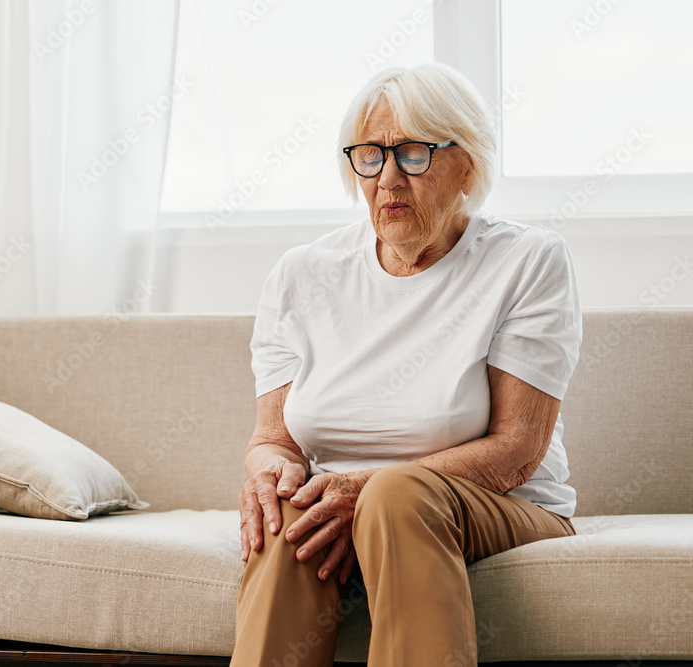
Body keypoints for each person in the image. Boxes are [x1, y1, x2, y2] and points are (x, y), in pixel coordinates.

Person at [231, 63, 582, 667]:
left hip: (497, 505)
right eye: (370, 156)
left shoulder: (527, 260)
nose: (388, 178)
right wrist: (271, 477)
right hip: (341, 506)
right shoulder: (301, 274)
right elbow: (274, 441)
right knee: (291, 517)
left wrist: (364, 491)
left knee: (395, 495)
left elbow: (518, 450)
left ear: (467, 165)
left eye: (413, 153)